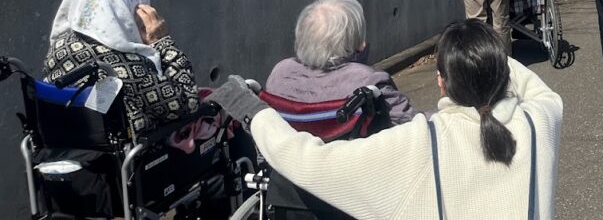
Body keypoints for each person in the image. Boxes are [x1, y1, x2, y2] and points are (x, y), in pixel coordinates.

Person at [209, 20, 564, 219]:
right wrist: (482, 56)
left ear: (441, 81)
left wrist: (255, 111)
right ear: (502, 71)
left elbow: (307, 160)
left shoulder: (421, 143)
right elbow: (536, 87)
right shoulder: (540, 120)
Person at [44, 0, 199, 134]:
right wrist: (162, 41)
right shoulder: (129, 66)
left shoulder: (60, 46)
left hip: (62, 137)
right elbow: (186, 103)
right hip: (126, 145)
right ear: (123, 10)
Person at [266, 0, 415, 124]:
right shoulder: (369, 81)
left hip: (291, 147)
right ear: (357, 43)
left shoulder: (280, 73)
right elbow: (411, 125)